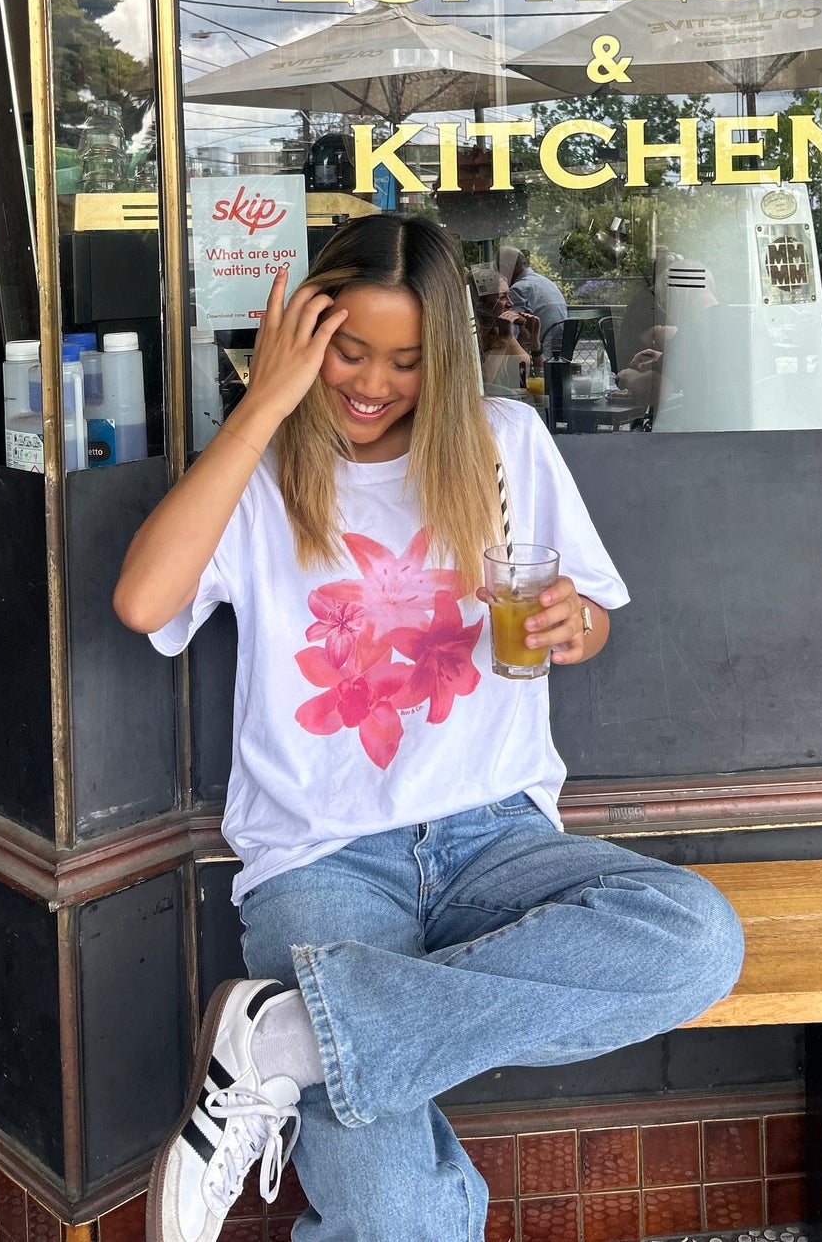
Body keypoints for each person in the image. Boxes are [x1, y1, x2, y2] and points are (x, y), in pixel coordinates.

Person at [113, 214, 743, 1242]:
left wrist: (577, 624)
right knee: (397, 1216)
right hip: (321, 858)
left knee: (695, 940)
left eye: (405, 362)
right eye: (347, 351)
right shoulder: (258, 471)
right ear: (306, 336)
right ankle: (317, 1036)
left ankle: (287, 1042)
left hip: (495, 836)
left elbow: (587, 613)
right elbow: (144, 601)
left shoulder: (505, 444)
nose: (371, 383)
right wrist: (264, 401)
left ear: (443, 358)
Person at [471, 261, 536, 393]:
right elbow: (480, 384)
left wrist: (530, 339)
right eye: (502, 297)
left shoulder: (498, 330)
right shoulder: (469, 335)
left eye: (509, 296)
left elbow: (522, 368)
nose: (510, 304)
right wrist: (503, 340)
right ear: (481, 304)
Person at [498, 243, 568, 353]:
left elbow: (512, 335)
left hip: (539, 352)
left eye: (498, 270)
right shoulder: (546, 282)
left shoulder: (519, 289)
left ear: (506, 268)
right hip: (558, 352)